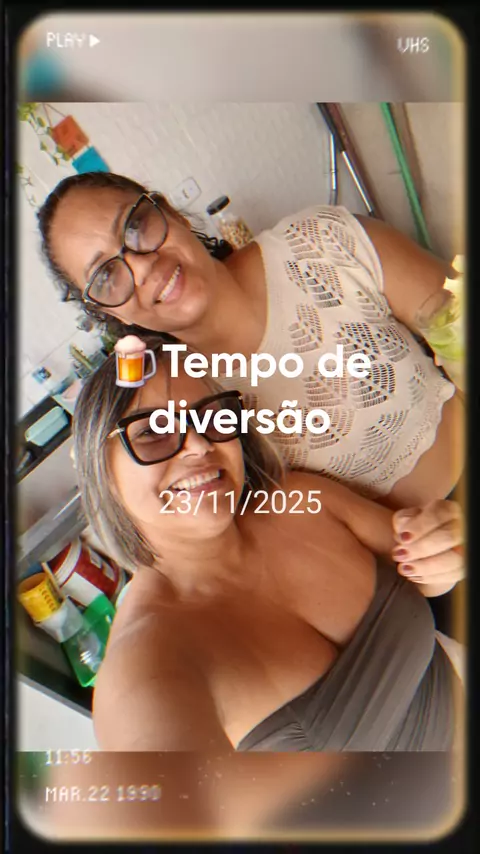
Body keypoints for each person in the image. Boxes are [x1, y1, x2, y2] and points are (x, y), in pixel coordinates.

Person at [72, 341, 464, 752]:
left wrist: (446, 547)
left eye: (213, 417)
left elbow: (427, 576)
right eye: (152, 432)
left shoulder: (302, 498)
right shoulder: (148, 655)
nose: (199, 445)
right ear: (101, 470)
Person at [37, 172, 465, 511]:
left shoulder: (320, 243)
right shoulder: (178, 409)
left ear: (170, 213)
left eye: (135, 226)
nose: (143, 267)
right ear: (111, 313)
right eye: (106, 276)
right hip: (399, 577)